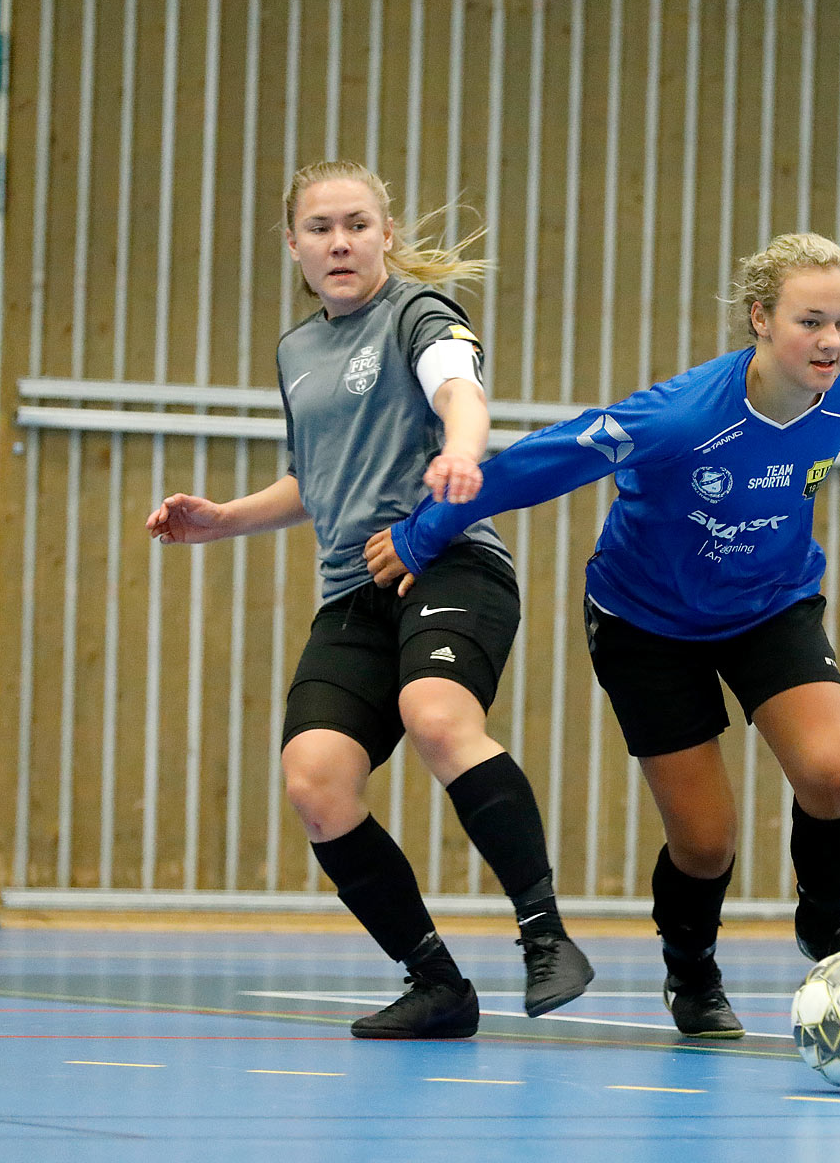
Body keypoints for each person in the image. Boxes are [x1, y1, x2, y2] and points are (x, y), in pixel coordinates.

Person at [365, 231, 840, 1039]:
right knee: (705, 840)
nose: (831, 342)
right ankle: (692, 970)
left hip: (770, 605)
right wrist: (424, 533)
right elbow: (540, 463)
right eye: (810, 322)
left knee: (834, 774)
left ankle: (825, 923)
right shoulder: (679, 417)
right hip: (646, 624)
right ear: (760, 318)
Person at [146, 160, 592, 1040]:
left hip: (449, 565)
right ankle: (436, 984)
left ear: (386, 232)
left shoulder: (419, 315)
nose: (339, 241)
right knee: (315, 779)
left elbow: (458, 390)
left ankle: (546, 937)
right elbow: (316, 482)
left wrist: (464, 449)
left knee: (435, 716)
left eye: (356, 223)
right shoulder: (296, 352)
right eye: (320, 228)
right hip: (353, 591)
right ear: (294, 246)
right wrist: (222, 519)